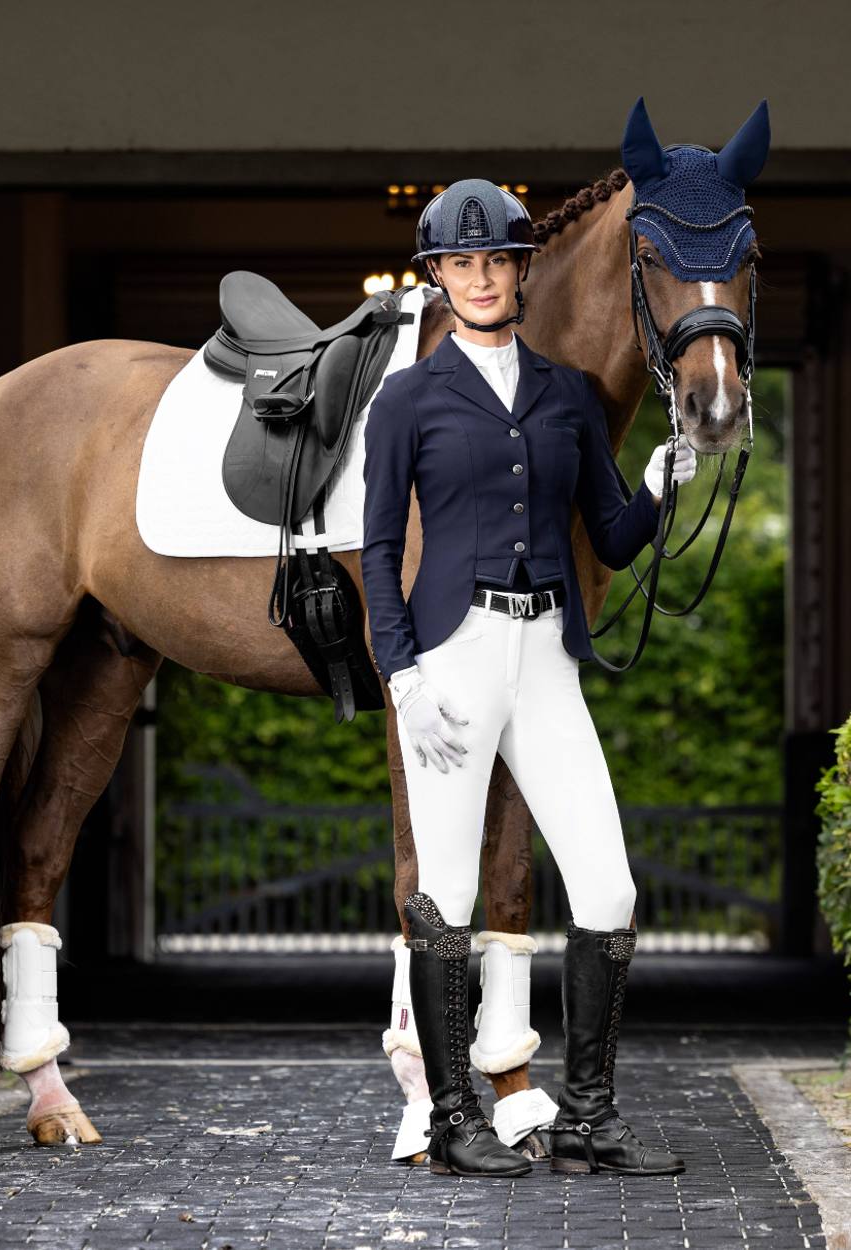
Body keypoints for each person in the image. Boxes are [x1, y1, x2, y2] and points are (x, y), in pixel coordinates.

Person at [361, 179, 696, 1179]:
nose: (479, 276)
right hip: (452, 659)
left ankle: (590, 1113)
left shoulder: (566, 393)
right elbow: (380, 550)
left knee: (607, 882)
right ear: (440, 278)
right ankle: (454, 1114)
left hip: (547, 651)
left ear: (518, 271)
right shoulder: (408, 397)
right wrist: (402, 676)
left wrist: (658, 481)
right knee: (448, 891)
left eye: (496, 260)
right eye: (459, 264)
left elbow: (615, 536)